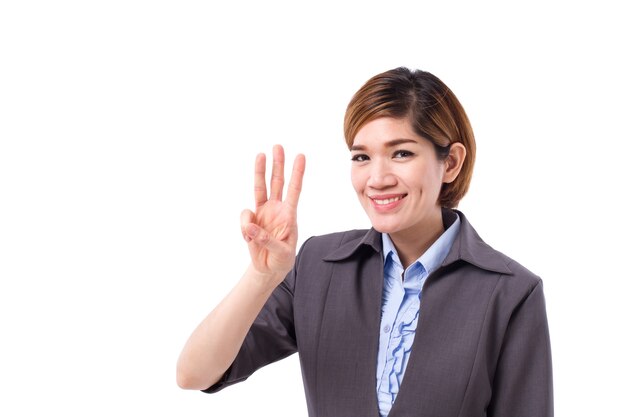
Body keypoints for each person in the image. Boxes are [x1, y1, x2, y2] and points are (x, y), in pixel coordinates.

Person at [176, 67, 553, 417]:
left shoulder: (511, 292)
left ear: (451, 163)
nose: (377, 178)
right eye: (361, 157)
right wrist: (261, 277)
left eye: (401, 153)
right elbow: (194, 374)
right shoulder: (317, 265)